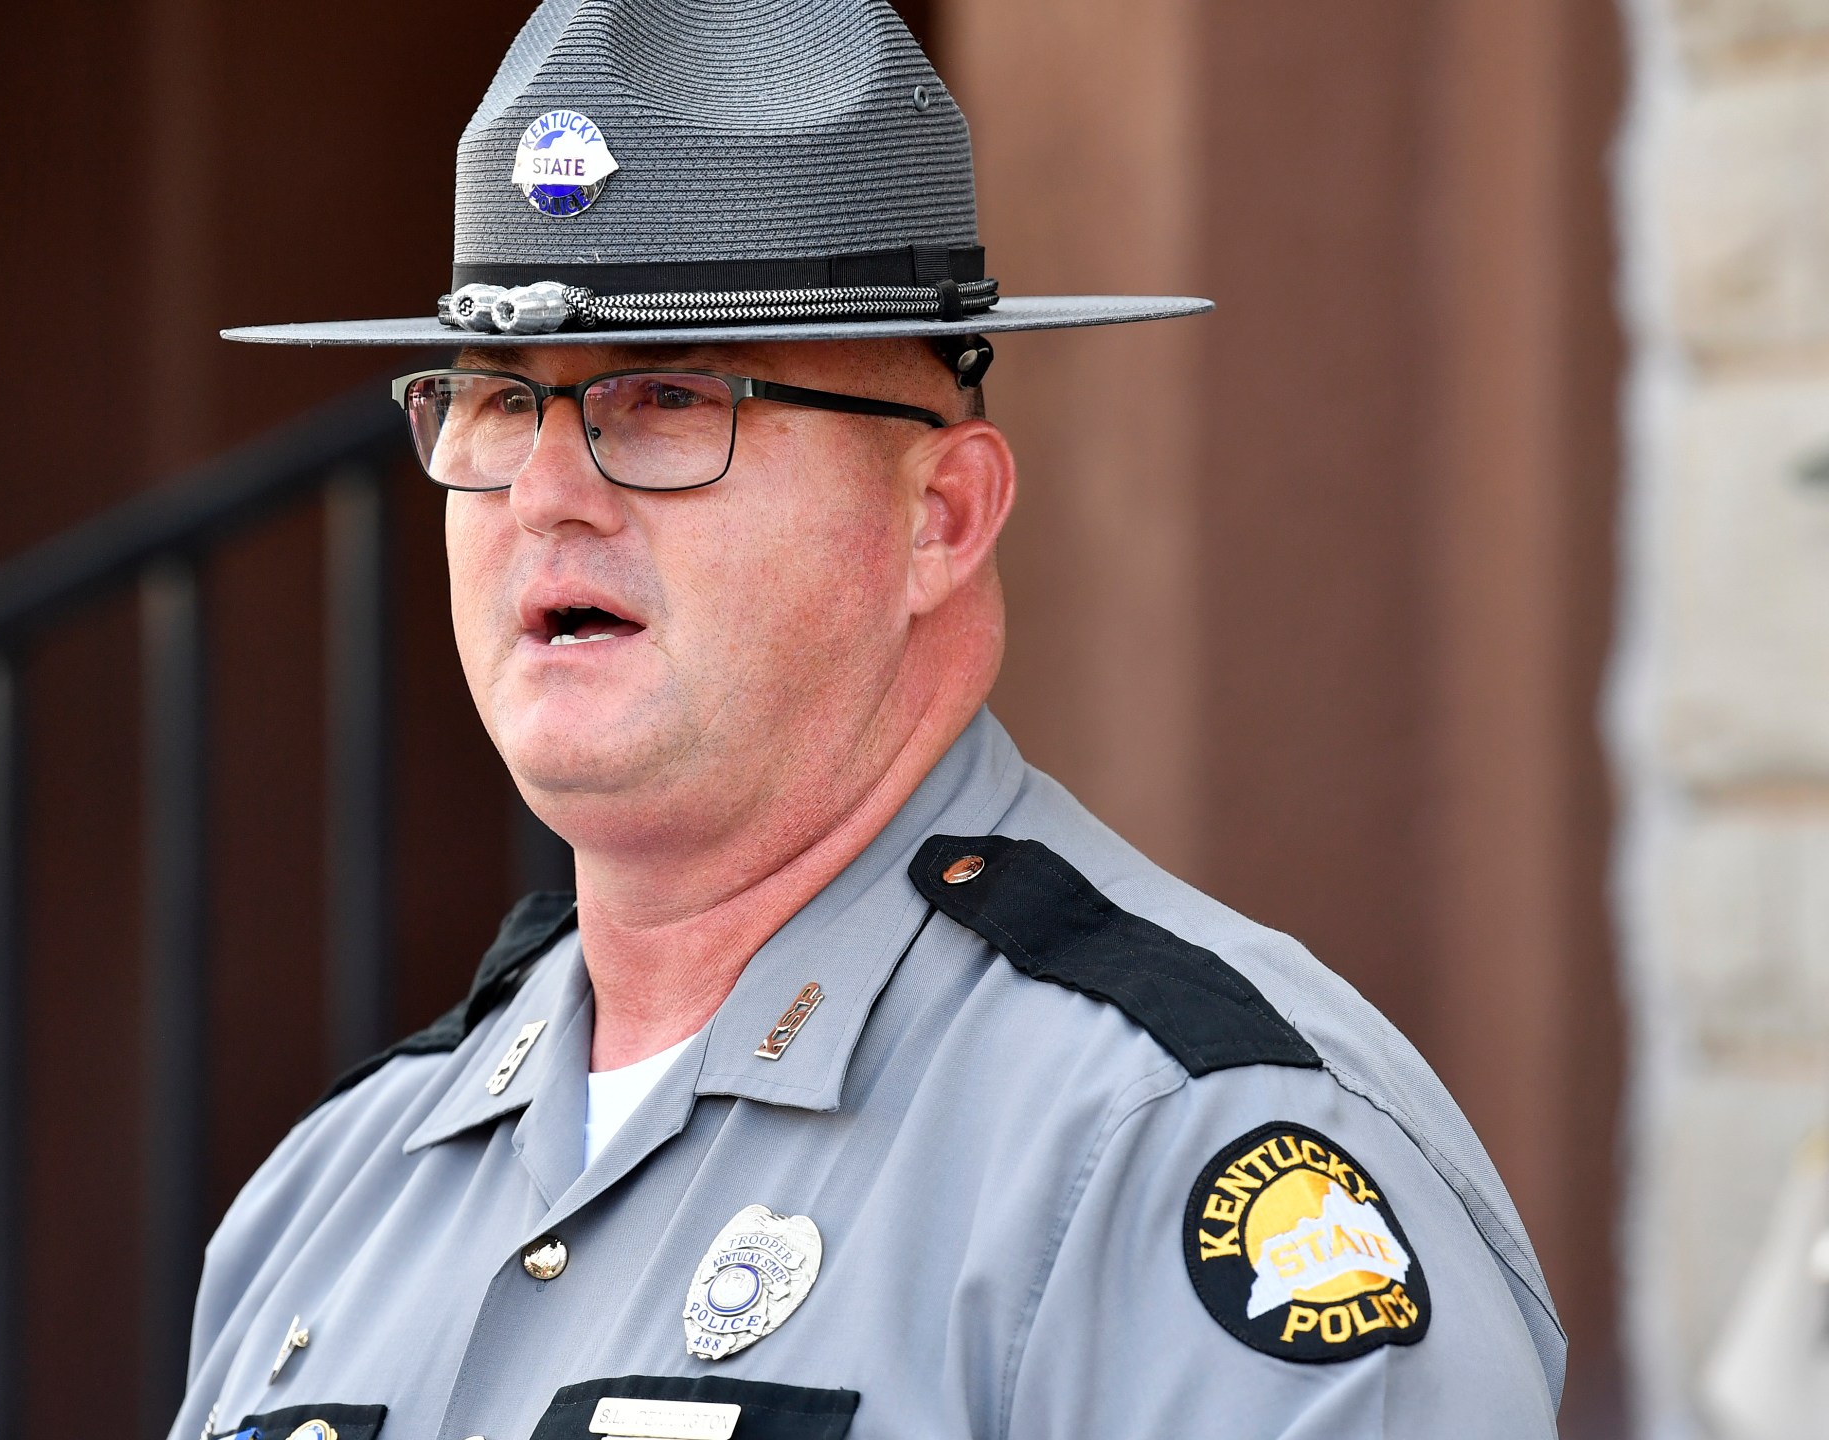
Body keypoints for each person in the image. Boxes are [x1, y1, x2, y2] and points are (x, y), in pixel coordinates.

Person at [190, 3, 1566, 1438]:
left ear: (942, 518)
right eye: (492, 403)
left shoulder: (1175, 1148)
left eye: (662, 401)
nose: (545, 494)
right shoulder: (331, 1195)